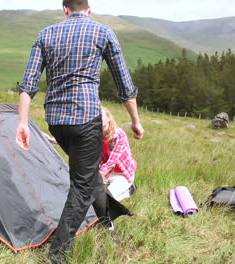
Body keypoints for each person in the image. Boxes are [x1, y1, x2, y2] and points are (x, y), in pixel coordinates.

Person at [15, 0, 144, 262]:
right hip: (86, 119)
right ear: (89, 8)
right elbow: (124, 84)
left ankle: (105, 222)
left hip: (57, 122)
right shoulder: (103, 32)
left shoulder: (46, 34)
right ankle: (58, 253)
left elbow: (28, 84)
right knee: (82, 185)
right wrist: (135, 121)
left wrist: (23, 122)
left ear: (64, 9)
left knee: (88, 175)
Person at [100, 106, 137, 202]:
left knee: (107, 200)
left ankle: (129, 189)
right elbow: (79, 143)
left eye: (103, 126)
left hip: (121, 174)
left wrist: (97, 177)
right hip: (104, 172)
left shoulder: (119, 135)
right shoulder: (94, 134)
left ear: (109, 118)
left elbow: (110, 163)